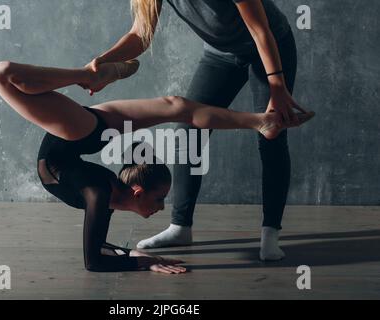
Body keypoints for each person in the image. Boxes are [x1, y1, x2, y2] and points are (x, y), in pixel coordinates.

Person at [0, 59, 314, 272]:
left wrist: (139, 260)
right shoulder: (103, 193)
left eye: (160, 199)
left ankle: (260, 122)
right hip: (77, 135)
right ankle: (86, 75)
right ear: (137, 191)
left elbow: (97, 254)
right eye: (160, 199)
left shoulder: (103, 193)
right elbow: (96, 258)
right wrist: (145, 261)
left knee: (178, 106)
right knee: (177, 106)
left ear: (137, 190)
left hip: (76, 137)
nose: (161, 206)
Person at [86, 0, 304, 261]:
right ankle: (180, 227)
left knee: (271, 134)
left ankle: (270, 234)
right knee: (189, 133)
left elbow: (260, 30)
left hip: (269, 46)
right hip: (219, 54)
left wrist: (277, 88)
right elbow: (139, 35)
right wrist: (103, 61)